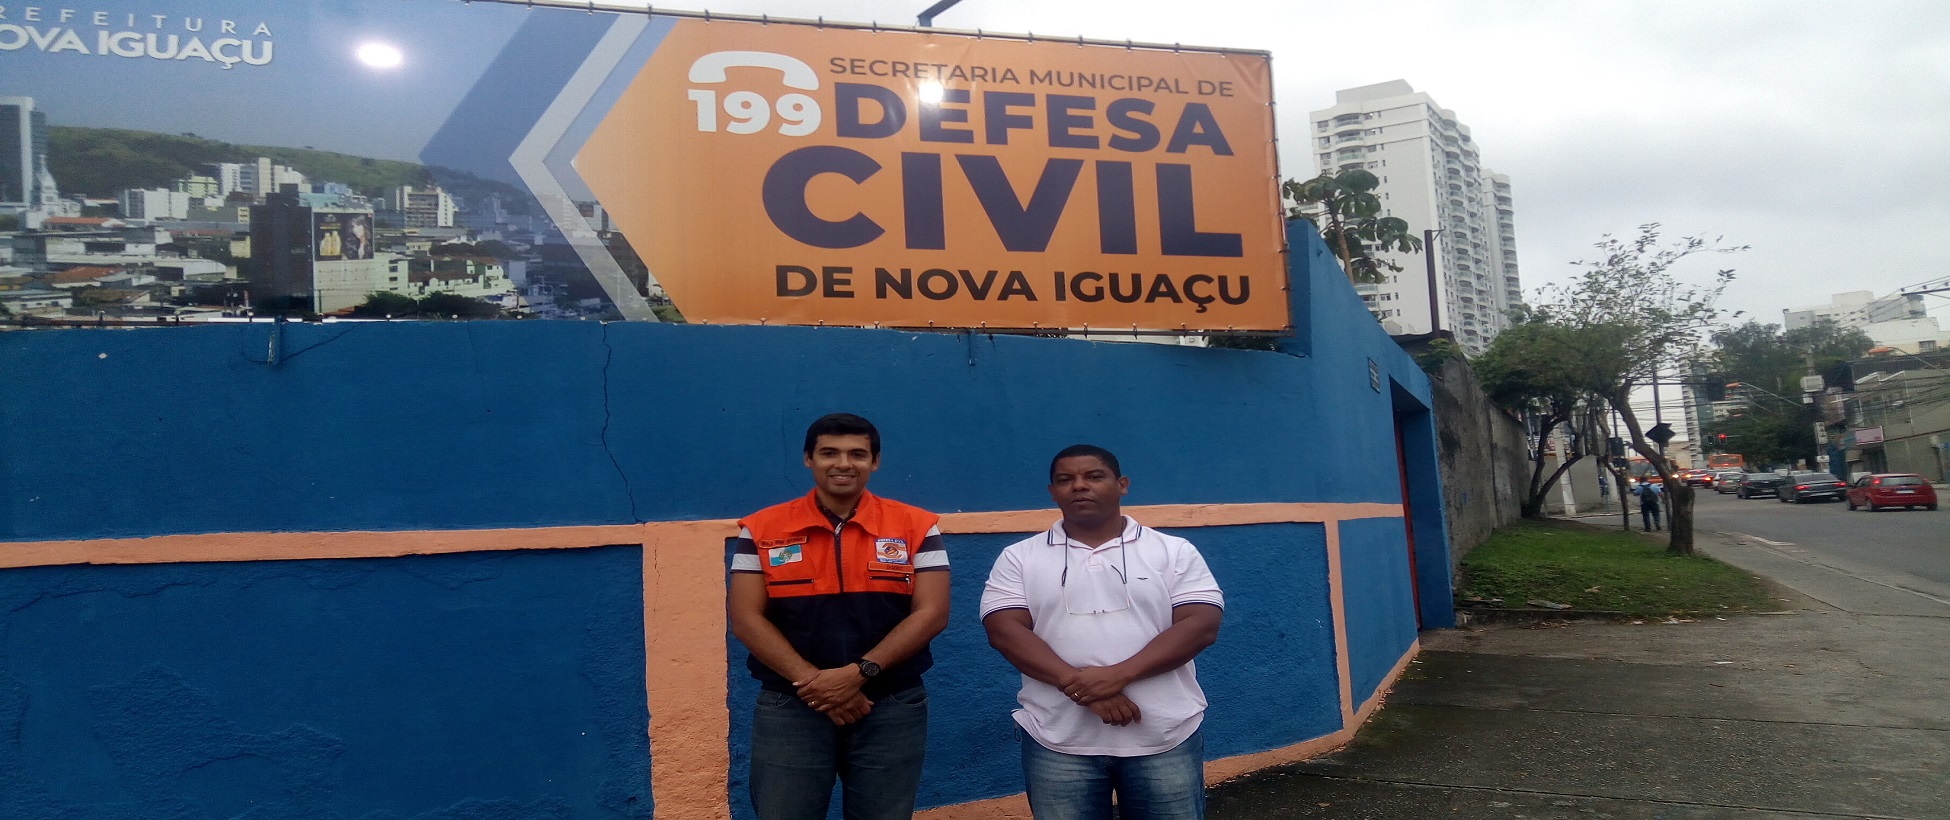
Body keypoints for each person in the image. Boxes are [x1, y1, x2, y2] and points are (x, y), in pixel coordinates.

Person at [980, 444, 1224, 820]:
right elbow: (1004, 630)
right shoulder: (1020, 557)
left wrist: (1119, 675)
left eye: (1094, 476)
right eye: (1065, 479)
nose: (1079, 486)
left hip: (1163, 736)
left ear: (1122, 484)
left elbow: (1201, 625)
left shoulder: (1173, 551)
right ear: (1052, 492)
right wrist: (1085, 688)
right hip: (1058, 740)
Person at [727, 413, 950, 820]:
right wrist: (816, 686)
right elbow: (745, 618)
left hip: (891, 704)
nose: (843, 464)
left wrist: (858, 673)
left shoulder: (917, 526)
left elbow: (932, 613)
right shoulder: (761, 529)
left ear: (874, 462)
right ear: (808, 459)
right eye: (829, 453)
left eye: (857, 454)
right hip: (792, 705)